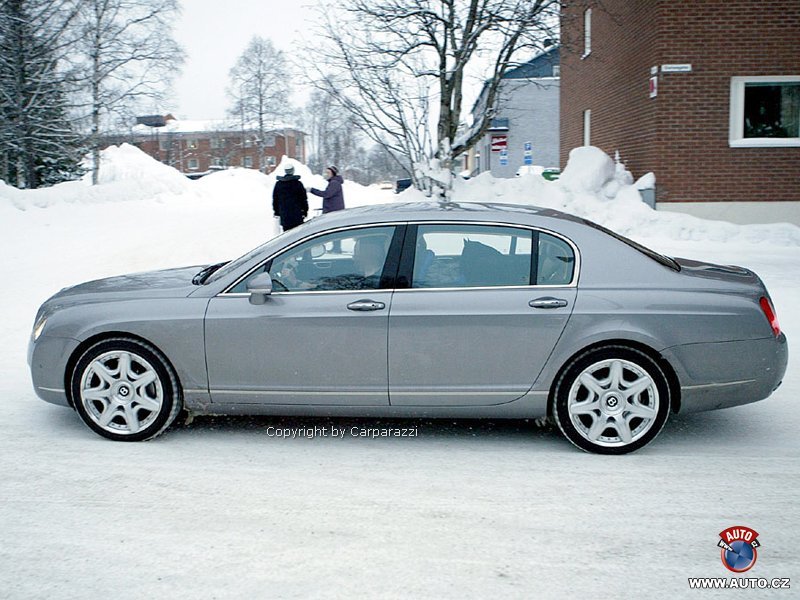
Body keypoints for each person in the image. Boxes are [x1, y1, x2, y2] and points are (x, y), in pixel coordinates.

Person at [272, 165, 308, 231]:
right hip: (297, 214)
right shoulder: (298, 184)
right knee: (298, 234)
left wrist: (276, 212)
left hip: (284, 214)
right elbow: (303, 199)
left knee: (287, 234)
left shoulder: (278, 184)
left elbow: (275, 199)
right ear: (293, 171)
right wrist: (305, 211)